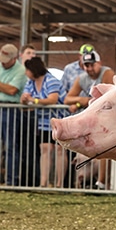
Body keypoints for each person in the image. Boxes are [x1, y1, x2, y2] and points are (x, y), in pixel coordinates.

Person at [64, 50, 114, 189]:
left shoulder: (107, 73)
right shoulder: (82, 78)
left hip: (105, 120)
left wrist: (80, 103)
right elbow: (68, 98)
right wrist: (84, 101)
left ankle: (102, 182)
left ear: (99, 63)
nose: (90, 69)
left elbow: (108, 97)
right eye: (86, 65)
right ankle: (83, 182)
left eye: (92, 65)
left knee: (105, 149)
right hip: (91, 121)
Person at [0, 44, 27, 186]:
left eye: (6, 59)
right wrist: (3, 86)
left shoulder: (21, 71)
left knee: (10, 146)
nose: (2, 62)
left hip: (11, 109)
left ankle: (11, 181)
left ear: (14, 58)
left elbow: (13, 91)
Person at [21, 57, 67, 188]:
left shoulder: (51, 80)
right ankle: (43, 182)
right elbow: (23, 98)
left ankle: (59, 183)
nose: (26, 73)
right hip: (44, 121)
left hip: (59, 119)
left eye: (27, 70)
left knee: (59, 149)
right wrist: (24, 99)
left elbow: (53, 99)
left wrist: (34, 100)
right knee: (45, 149)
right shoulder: (30, 83)